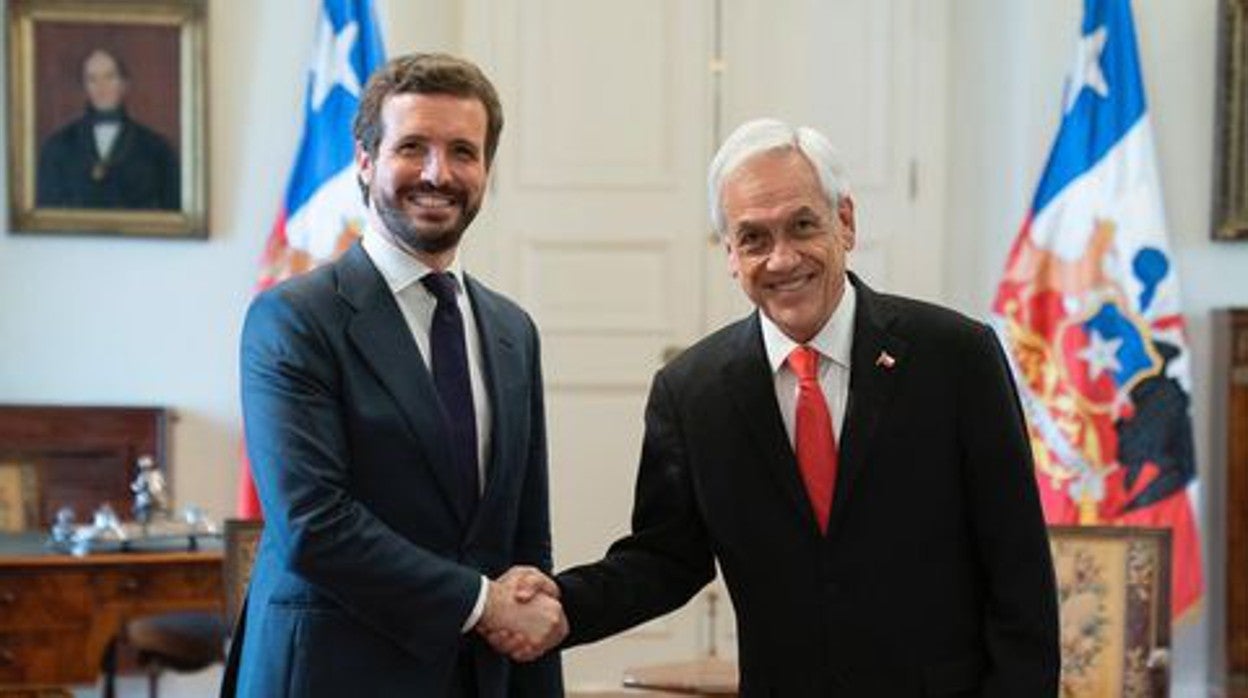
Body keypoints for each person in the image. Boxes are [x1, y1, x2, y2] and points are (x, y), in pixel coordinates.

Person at [494, 118, 1060, 696]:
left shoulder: (956, 357)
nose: (782, 259)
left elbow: (1018, 571)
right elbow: (666, 559)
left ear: (845, 222)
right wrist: (563, 605)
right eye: (754, 239)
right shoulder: (692, 392)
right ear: (732, 256)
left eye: (802, 226)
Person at [223, 53, 565, 697]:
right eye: (413, 147)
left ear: (486, 170)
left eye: (463, 151)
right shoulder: (293, 319)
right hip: (331, 673)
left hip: (476, 677)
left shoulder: (512, 331)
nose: (439, 173)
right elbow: (312, 524)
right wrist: (483, 603)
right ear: (364, 161)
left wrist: (531, 656)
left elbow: (524, 532)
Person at [36, 48, 179, 210]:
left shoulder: (157, 149)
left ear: (125, 84)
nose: (101, 87)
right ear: (84, 86)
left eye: (109, 77)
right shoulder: (57, 146)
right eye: (92, 79)